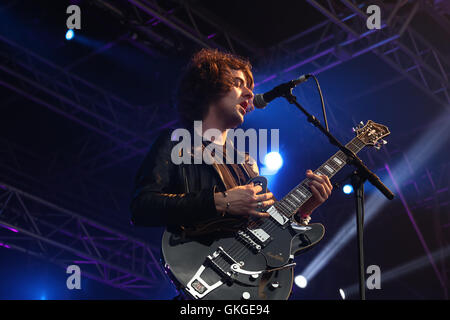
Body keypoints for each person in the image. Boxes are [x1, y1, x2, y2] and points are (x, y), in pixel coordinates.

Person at [130, 48, 332, 236]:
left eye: (249, 87)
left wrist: (304, 210)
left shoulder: (247, 164)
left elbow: (272, 234)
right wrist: (219, 201)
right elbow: (142, 207)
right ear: (208, 87)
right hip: (196, 263)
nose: (250, 93)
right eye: (237, 83)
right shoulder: (176, 143)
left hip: (240, 270)